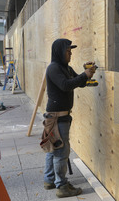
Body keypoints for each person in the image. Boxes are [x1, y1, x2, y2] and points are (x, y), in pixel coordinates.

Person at [43, 38, 95, 198]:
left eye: (70, 51)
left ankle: (49, 180)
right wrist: (84, 75)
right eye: (67, 51)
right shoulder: (53, 68)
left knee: (53, 149)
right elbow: (65, 85)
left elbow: (77, 82)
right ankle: (62, 186)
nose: (70, 53)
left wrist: (88, 73)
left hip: (59, 117)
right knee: (60, 151)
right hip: (57, 118)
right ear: (59, 52)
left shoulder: (65, 68)